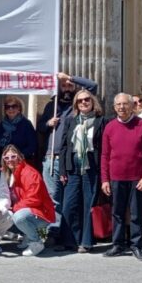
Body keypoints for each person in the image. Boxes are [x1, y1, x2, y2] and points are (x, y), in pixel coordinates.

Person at [100, 93, 142, 261]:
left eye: (125, 104)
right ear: (114, 107)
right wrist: (105, 179)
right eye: (118, 104)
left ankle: (136, 245)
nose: (122, 107)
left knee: (136, 213)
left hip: (137, 178)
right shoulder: (109, 127)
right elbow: (104, 155)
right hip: (116, 177)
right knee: (117, 212)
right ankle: (117, 244)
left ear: (132, 106)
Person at [37, 72, 99, 217]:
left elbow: (93, 86)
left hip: (74, 159)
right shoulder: (51, 105)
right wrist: (48, 123)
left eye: (70, 85)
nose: (67, 88)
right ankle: (53, 232)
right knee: (53, 197)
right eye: (63, 85)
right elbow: (39, 128)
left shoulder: (78, 104)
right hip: (52, 158)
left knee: (72, 199)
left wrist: (69, 77)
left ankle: (69, 232)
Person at [57, 90, 109, 253]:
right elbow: (65, 147)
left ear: (93, 102)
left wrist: (104, 172)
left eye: (87, 100)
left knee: (89, 204)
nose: (84, 103)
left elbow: (105, 149)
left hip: (92, 168)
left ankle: (86, 242)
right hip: (73, 168)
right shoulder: (71, 121)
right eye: (80, 101)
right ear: (76, 105)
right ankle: (69, 241)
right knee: (69, 204)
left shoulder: (101, 121)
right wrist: (62, 170)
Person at [3, 144, 56, 257]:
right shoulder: (9, 174)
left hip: (42, 213)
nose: (10, 160)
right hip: (28, 210)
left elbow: (34, 199)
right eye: (6, 158)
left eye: (13, 156)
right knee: (3, 215)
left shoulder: (29, 173)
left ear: (20, 157)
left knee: (18, 217)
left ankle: (36, 241)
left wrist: (14, 208)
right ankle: (28, 235)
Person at [0, 95, 38, 163]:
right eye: (8, 107)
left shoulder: (26, 124)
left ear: (19, 109)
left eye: (14, 106)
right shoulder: (1, 125)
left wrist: (19, 156)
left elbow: (33, 145)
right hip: (5, 162)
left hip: (22, 161)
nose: (11, 109)